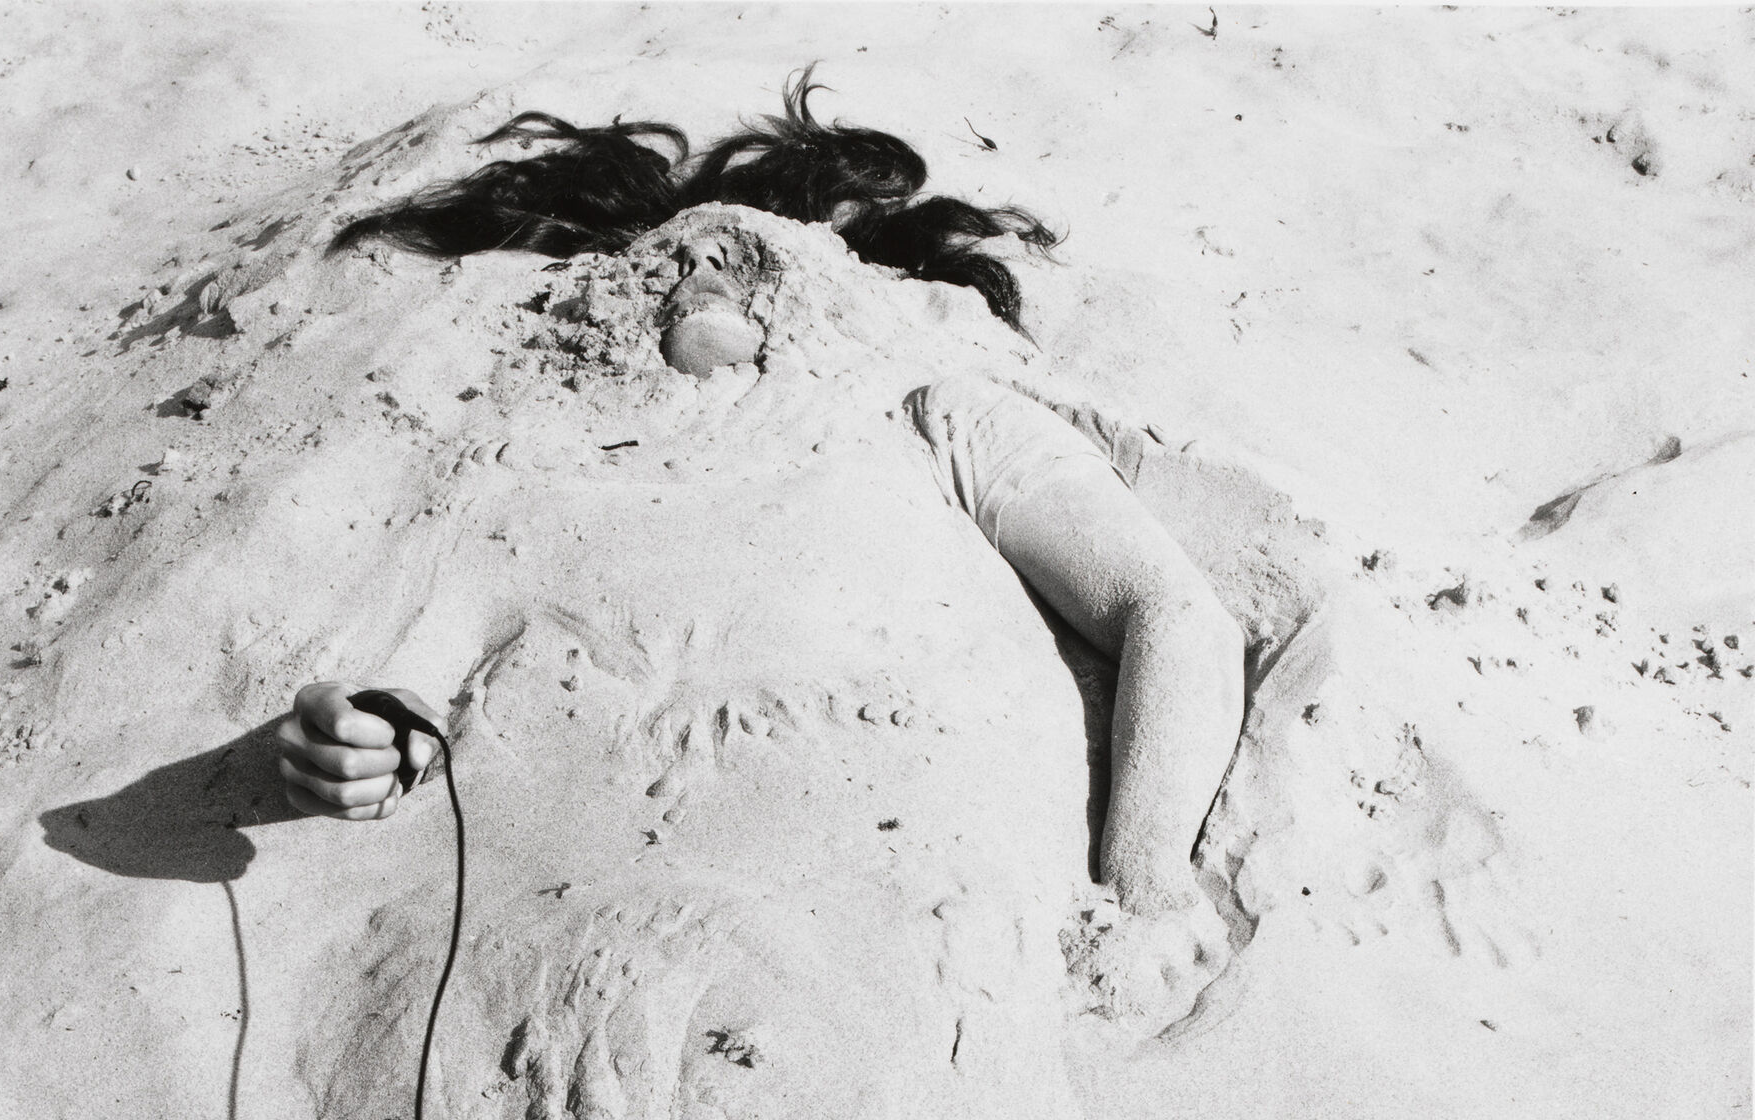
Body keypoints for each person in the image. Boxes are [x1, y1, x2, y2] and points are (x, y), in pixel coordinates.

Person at [274, 75, 1244, 926]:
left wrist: (1142, 880)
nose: (694, 280)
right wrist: (372, 737)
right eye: (664, 267)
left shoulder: (928, 408)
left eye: (737, 259)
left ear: (829, 272)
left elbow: (1169, 615)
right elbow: (442, 654)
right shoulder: (559, 450)